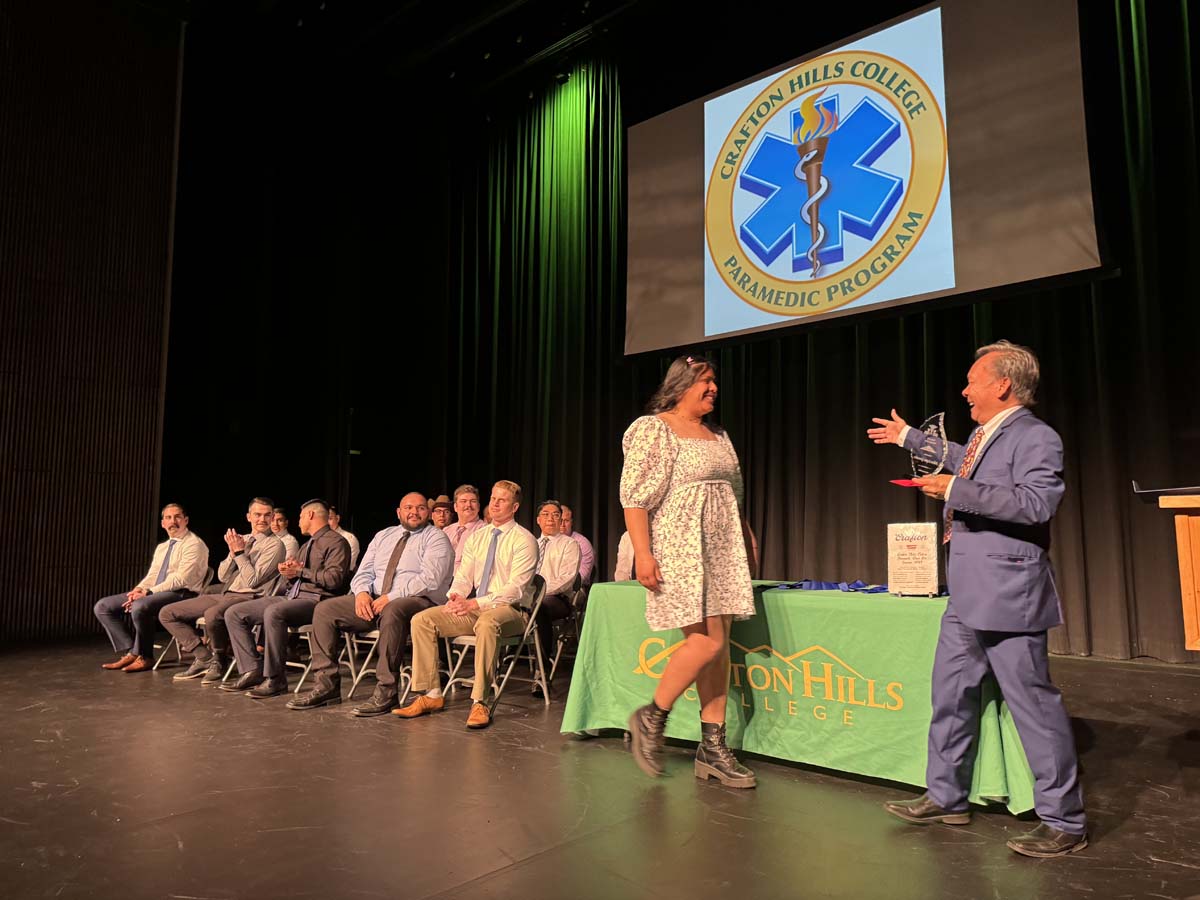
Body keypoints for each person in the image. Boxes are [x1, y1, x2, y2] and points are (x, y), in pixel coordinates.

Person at [866, 339, 1087, 858]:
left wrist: (954, 492)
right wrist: (908, 437)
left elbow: (1035, 504)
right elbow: (966, 461)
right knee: (950, 695)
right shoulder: (990, 435)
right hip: (967, 592)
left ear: (1003, 384)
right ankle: (946, 796)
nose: (964, 390)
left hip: (1009, 591)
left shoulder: (1036, 437)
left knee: (1033, 706)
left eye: (972, 380)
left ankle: (1065, 821)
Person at [620, 355, 757, 788]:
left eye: (716, 380)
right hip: (680, 545)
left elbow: (733, 494)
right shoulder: (654, 429)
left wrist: (747, 538)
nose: (714, 387)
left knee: (721, 645)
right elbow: (635, 498)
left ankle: (712, 747)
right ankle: (652, 715)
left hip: (721, 548)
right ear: (681, 385)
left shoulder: (718, 436)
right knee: (706, 641)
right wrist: (643, 552)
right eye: (706, 380)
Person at [287, 492, 454, 714]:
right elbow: (363, 571)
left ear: (428, 513)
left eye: (421, 508)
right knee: (325, 609)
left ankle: (387, 691)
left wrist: (391, 596)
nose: (414, 512)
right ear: (399, 512)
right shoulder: (383, 535)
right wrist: (362, 593)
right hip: (375, 600)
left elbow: (430, 578)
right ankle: (326, 686)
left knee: (394, 609)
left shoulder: (436, 538)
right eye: (408, 507)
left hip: (416, 600)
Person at [393, 480, 537, 730]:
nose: (495, 503)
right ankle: (432, 694)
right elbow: (463, 576)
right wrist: (456, 597)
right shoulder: (478, 537)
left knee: (487, 622)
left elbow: (514, 590)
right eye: (493, 498)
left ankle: (480, 700)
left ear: (514, 507)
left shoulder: (524, 539)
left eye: (502, 500)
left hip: (511, 611)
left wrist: (474, 604)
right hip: (477, 607)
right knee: (423, 619)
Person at [222, 499, 350, 698]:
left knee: (274, 612)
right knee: (235, 612)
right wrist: (288, 572)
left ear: (310, 516)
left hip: (316, 601)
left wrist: (301, 571)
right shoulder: (308, 544)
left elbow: (334, 580)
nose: (298, 521)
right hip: (293, 596)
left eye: (300, 517)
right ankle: (252, 669)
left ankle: (276, 679)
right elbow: (297, 575)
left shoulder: (336, 542)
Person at [159, 497, 285, 682]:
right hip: (226, 594)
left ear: (273, 517)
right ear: (249, 516)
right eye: (257, 514)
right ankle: (205, 658)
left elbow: (253, 581)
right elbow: (223, 576)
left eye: (267, 515)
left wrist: (240, 554)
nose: (262, 519)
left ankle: (219, 659)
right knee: (167, 613)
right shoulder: (243, 539)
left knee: (212, 614)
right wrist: (233, 552)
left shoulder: (275, 545)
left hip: (250, 597)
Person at [94, 503, 209, 673]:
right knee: (103, 606)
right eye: (168, 518)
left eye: (177, 517)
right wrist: (138, 590)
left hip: (184, 594)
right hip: (156, 592)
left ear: (186, 520)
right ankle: (132, 652)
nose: (173, 521)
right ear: (163, 523)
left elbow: (181, 579)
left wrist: (147, 593)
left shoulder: (194, 544)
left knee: (141, 606)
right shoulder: (163, 547)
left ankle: (146, 656)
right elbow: (153, 574)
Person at [531, 500, 582, 682]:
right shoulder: (531, 544)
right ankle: (495, 671)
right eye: (545, 514)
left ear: (561, 520)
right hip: (528, 597)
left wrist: (540, 593)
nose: (550, 519)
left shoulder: (569, 544)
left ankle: (541, 672)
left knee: (540, 607)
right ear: (538, 520)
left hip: (556, 599)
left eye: (555, 515)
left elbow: (567, 579)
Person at [445, 483, 486, 572]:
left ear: (478, 507)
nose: (468, 505)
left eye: (473, 501)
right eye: (463, 501)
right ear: (455, 507)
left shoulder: (485, 531)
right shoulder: (447, 531)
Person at [559, 504, 595, 586]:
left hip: (575, 589)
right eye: (560, 520)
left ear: (571, 522)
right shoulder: (550, 541)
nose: (562, 525)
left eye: (566, 520)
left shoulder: (583, 543)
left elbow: (582, 576)